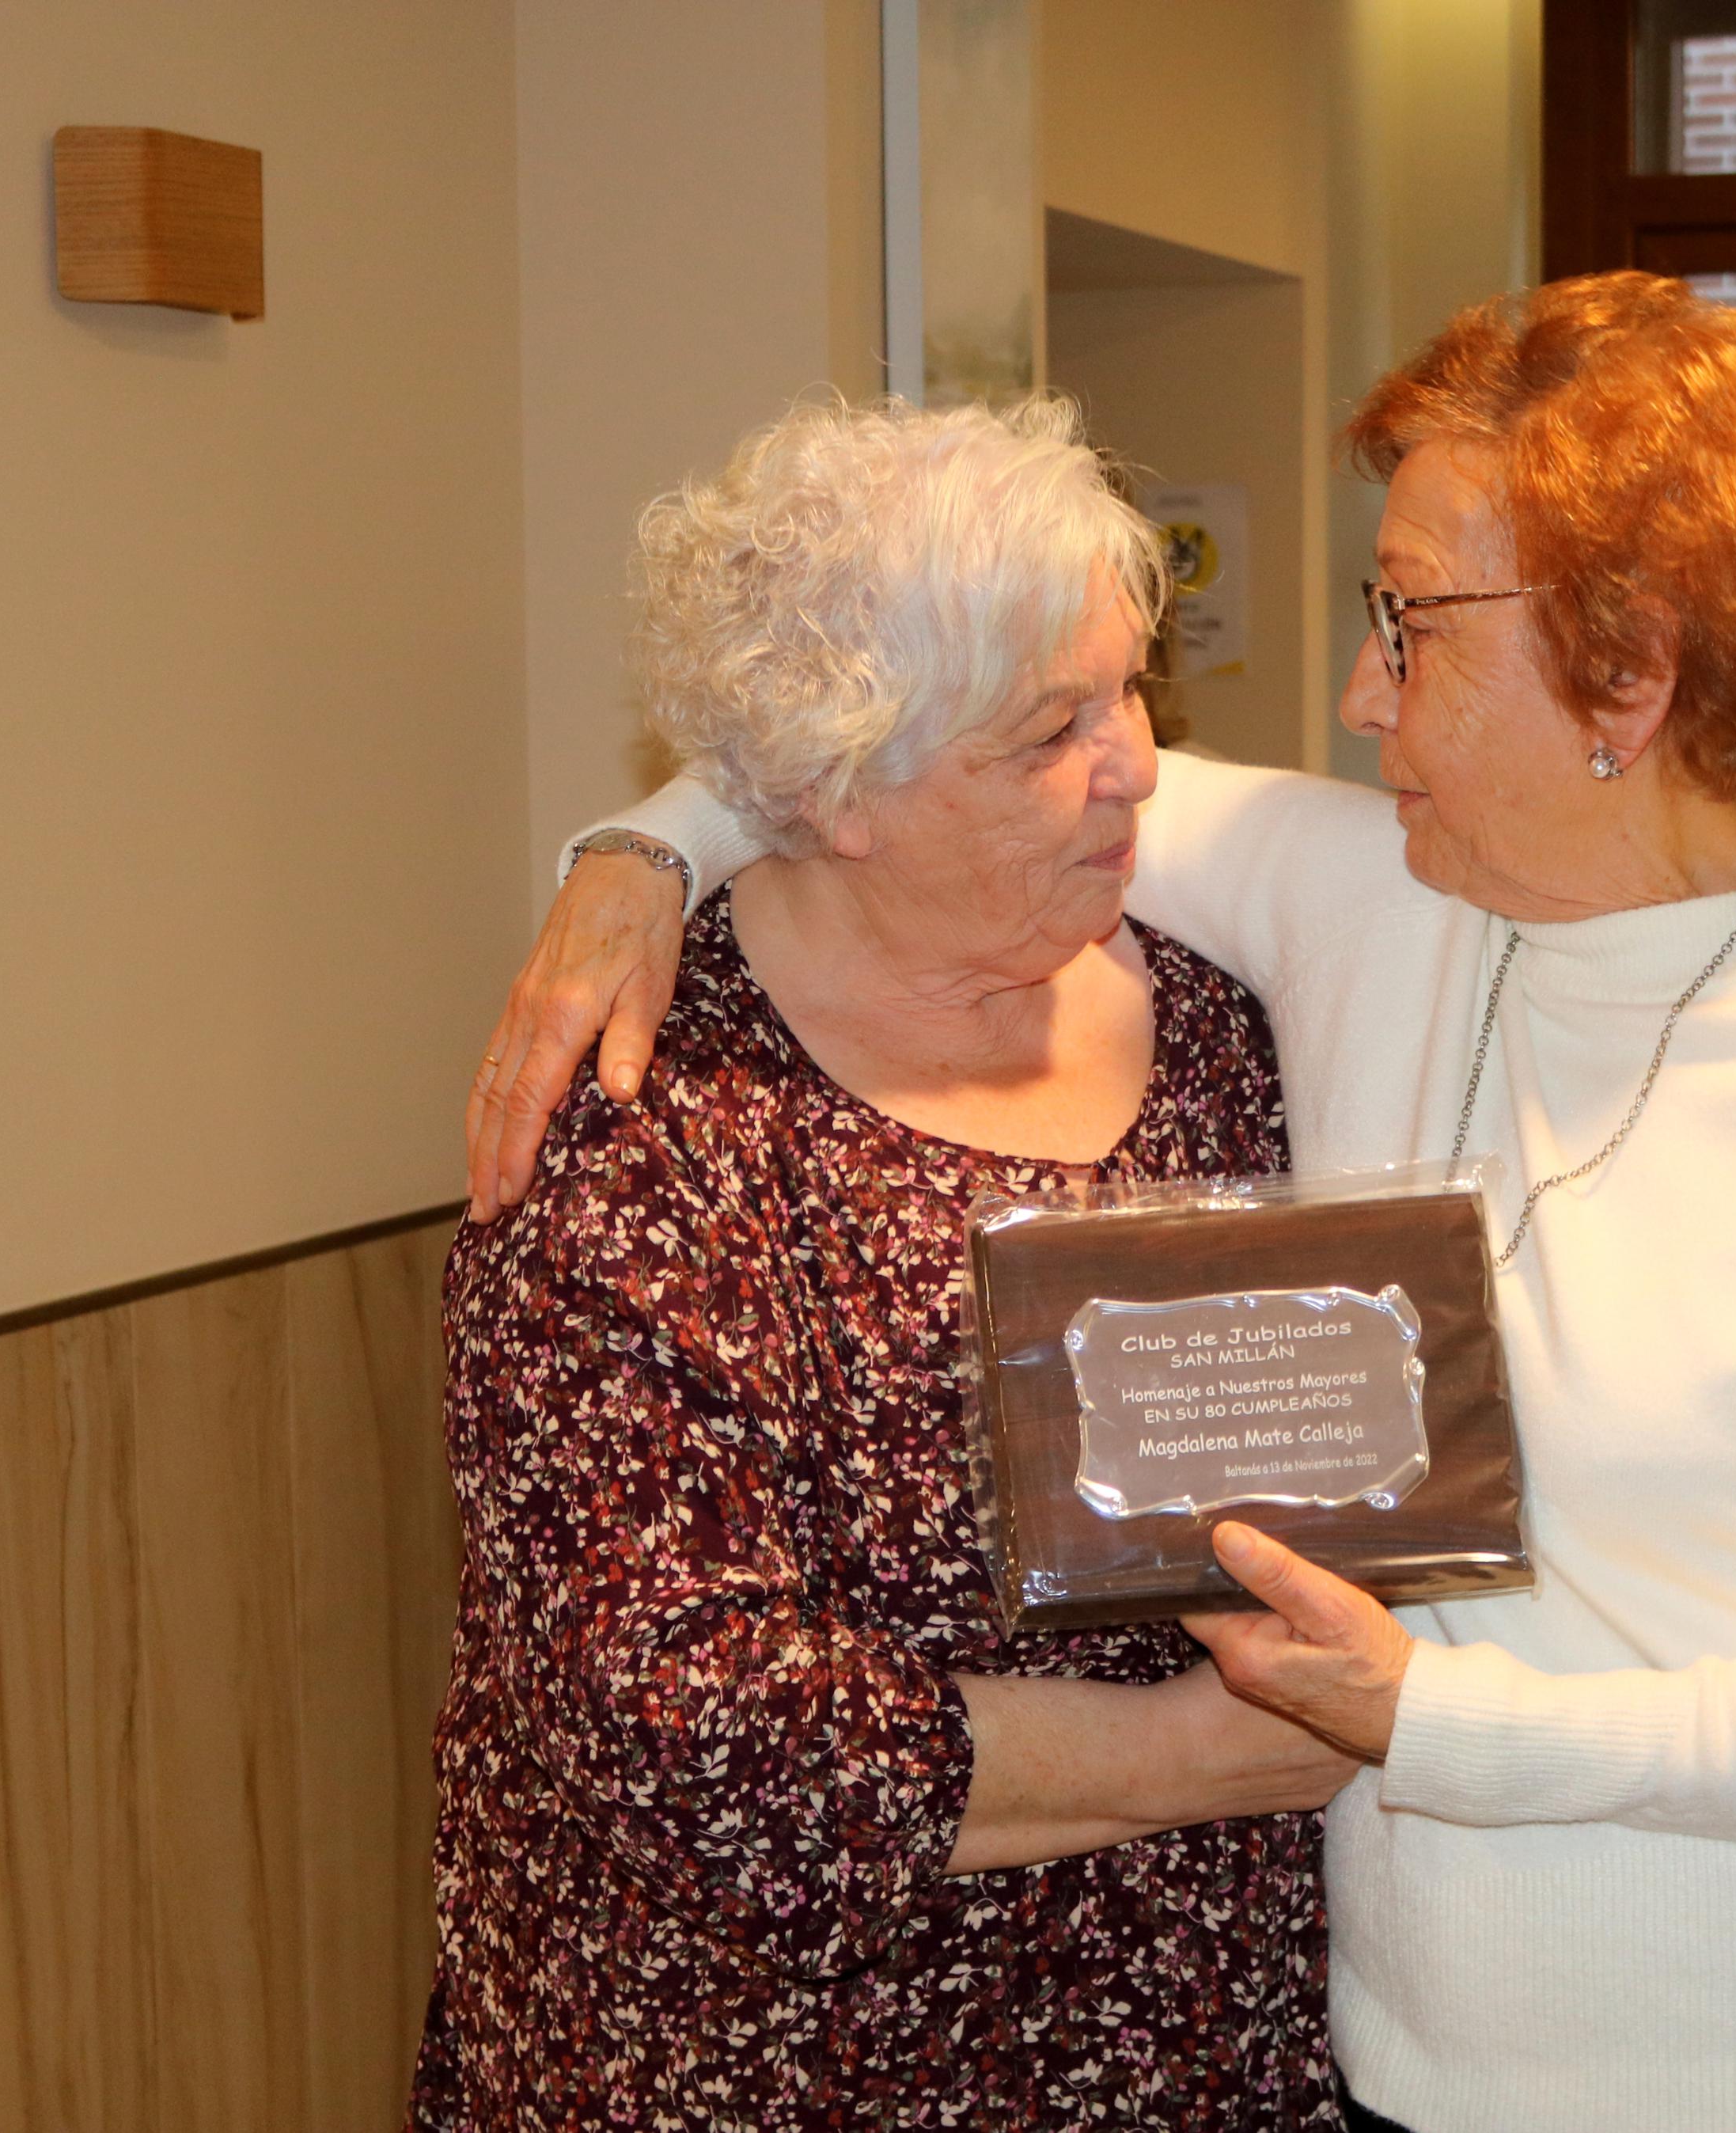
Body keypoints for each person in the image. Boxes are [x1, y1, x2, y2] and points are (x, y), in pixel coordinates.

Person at [470, 275, 1736, 2132]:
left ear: (1628, 677)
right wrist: (638, 854)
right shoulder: (1381, 898)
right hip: (1402, 2078)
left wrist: (1423, 1718)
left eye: (1408, 624)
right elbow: (889, 741)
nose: (1353, 692)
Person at [414, 397, 1351, 2130]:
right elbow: (677, 1712)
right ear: (837, 791)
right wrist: (1181, 1760)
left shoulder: (1231, 1027)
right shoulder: (646, 1116)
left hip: (1200, 2060)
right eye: (1051, 726)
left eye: (1130, 686)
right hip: (758, 2075)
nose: (1136, 759)